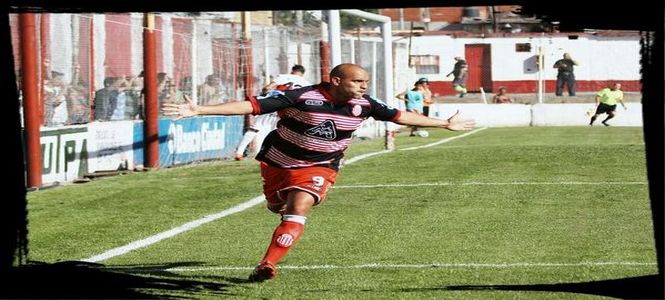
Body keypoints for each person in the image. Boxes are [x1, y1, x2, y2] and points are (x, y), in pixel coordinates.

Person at [163, 63, 475, 282]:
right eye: (357, 82)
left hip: (319, 166)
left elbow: (401, 116)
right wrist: (200, 109)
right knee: (276, 206)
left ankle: (267, 263)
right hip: (277, 160)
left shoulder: (364, 104)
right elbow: (252, 106)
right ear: (336, 80)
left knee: (298, 208)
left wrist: (444, 124)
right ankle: (279, 209)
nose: (363, 88)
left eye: (365, 83)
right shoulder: (302, 97)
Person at [234, 64, 311, 160]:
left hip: (275, 104)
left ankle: (239, 153)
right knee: (279, 132)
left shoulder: (284, 77)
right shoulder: (307, 84)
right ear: (303, 74)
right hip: (288, 110)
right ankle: (274, 155)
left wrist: (265, 97)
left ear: (292, 71)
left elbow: (268, 88)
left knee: (255, 128)